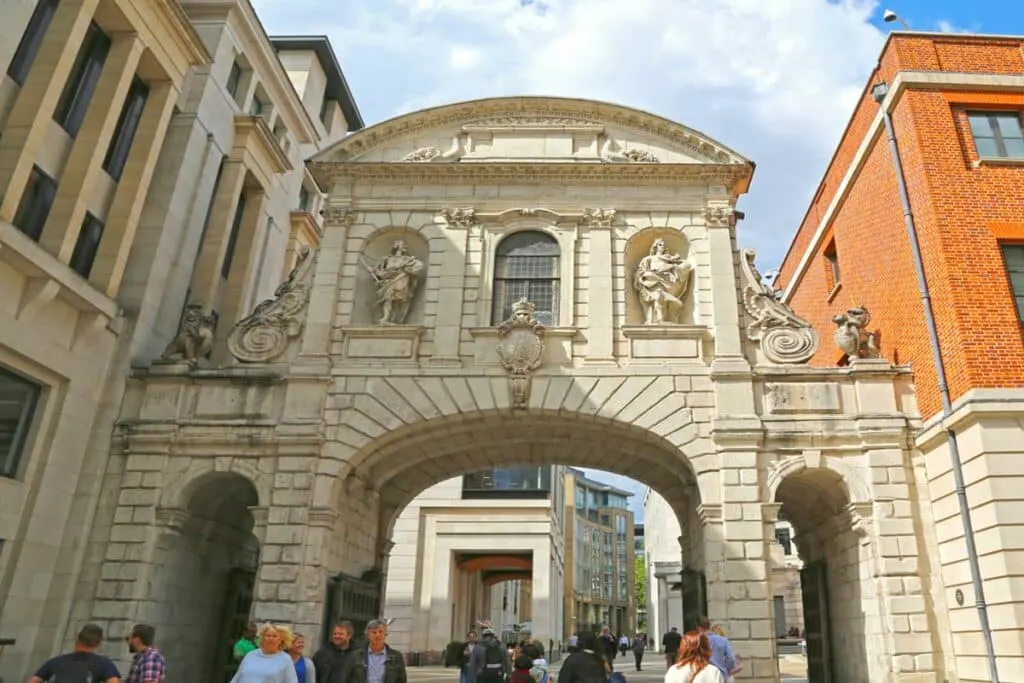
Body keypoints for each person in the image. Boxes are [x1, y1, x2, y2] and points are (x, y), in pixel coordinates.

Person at [29, 624, 120, 683]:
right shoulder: (104, 664)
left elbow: (33, 681)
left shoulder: (55, 662)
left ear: (77, 639)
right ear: (98, 643)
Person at [332, 619, 407, 683]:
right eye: (374, 632)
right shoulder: (355, 656)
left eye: (380, 632)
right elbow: (345, 679)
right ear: (368, 635)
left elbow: (401, 680)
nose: (378, 635)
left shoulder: (396, 656)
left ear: (385, 634)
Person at [231, 623, 299, 683]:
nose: (271, 638)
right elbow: (237, 678)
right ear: (263, 638)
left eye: (275, 636)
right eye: (268, 636)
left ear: (281, 640)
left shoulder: (285, 659)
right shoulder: (250, 655)